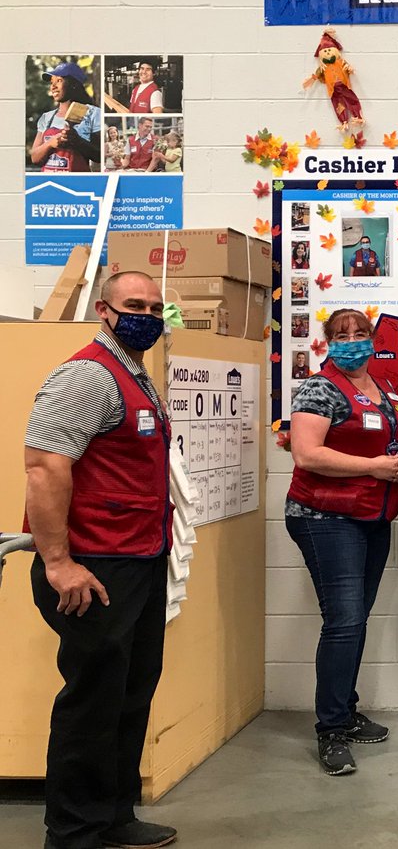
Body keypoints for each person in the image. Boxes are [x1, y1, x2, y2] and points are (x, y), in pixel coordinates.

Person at [25, 271, 177, 849]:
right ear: (103, 311)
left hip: (138, 558)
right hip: (92, 566)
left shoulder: (134, 373)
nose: (147, 316)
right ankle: (73, 833)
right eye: (134, 305)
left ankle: (113, 815)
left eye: (155, 307)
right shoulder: (88, 375)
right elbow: (44, 468)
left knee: (130, 693)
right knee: (93, 702)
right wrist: (57, 562)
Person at [286, 308, 398, 775]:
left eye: (361, 333)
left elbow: (391, 440)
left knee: (355, 620)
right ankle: (331, 730)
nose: (353, 340)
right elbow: (306, 453)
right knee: (343, 621)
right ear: (327, 342)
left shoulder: (385, 388)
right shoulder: (319, 388)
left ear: (373, 339)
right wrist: (374, 467)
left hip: (372, 516)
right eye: (342, 335)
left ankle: (345, 709)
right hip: (325, 517)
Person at [29, 62, 102, 173]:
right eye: (52, 82)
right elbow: (34, 158)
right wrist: (50, 143)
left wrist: (77, 141)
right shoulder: (47, 117)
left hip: (78, 181)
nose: (53, 86)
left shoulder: (93, 113)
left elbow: (99, 156)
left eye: (59, 81)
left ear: (74, 84)